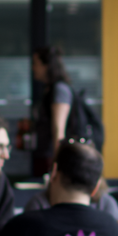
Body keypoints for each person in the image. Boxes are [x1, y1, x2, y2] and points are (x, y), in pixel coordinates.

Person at [28, 46, 73, 176]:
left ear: (46, 66)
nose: (33, 68)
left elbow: (58, 129)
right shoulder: (48, 90)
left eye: (36, 64)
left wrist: (57, 162)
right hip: (44, 154)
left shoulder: (59, 89)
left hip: (50, 156)